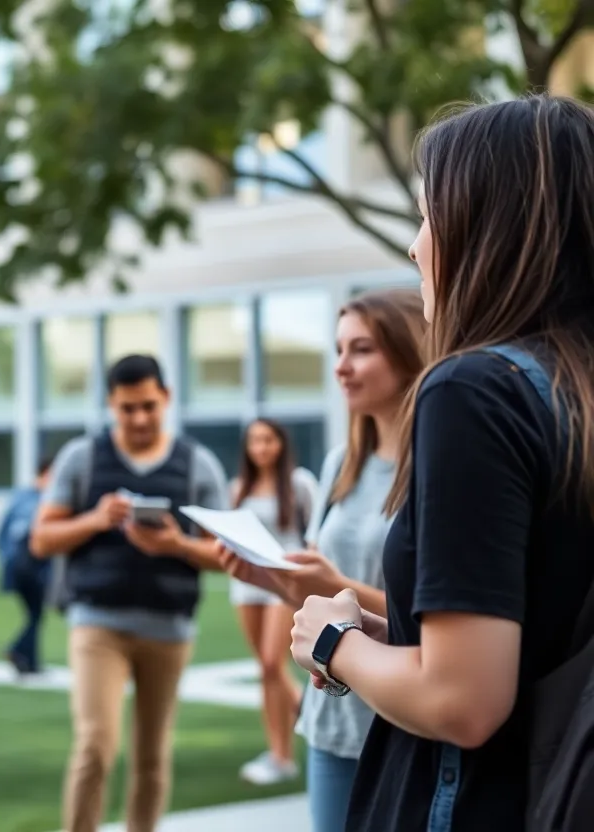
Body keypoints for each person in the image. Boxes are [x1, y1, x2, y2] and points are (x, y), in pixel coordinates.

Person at [290, 96, 594, 831]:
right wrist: (387, 624)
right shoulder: (571, 390)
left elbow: (464, 701)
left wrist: (334, 643)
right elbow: (539, 630)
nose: (416, 248)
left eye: (429, 218)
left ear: (486, 228)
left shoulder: (474, 391)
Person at [223, 288, 426, 831]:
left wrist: (342, 587)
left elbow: (440, 615)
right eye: (338, 350)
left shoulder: (440, 463)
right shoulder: (341, 464)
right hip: (333, 718)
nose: (341, 366)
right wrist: (266, 576)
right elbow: (322, 594)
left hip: (405, 716)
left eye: (361, 350)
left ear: (411, 351)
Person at [30, 354, 229, 832]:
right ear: (110, 405)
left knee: (152, 755)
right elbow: (41, 539)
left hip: (169, 626)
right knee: (96, 746)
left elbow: (225, 554)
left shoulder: (197, 463)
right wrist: (97, 518)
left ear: (167, 399)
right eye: (127, 408)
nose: (139, 418)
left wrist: (175, 543)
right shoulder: (83, 457)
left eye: (148, 406)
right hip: (99, 623)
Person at [229, 418, 319, 786]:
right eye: (254, 441)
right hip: (247, 583)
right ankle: (280, 755)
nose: (261, 447)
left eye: (267, 440)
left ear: (281, 443)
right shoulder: (238, 487)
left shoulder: (300, 483)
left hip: (284, 579)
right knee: (265, 670)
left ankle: (311, 717)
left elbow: (315, 534)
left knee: (271, 663)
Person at [0, 456, 55, 676]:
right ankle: (18, 650)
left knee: (34, 614)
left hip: (17, 564)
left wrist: (5, 559)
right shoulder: (44, 500)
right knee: (36, 614)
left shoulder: (20, 496)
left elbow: (2, 532)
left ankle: (30, 663)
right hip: (32, 565)